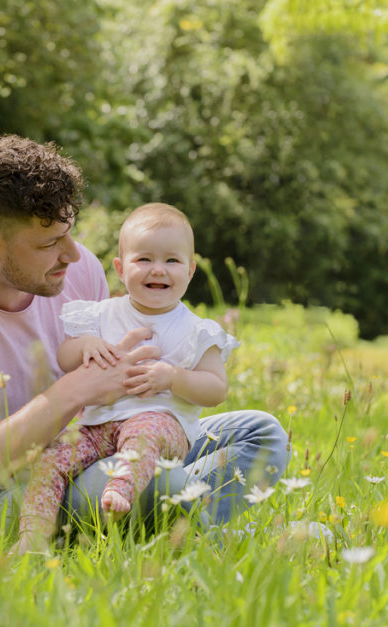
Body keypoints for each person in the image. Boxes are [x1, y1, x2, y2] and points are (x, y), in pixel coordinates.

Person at [0, 135, 289, 539]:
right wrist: (73, 391)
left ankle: (173, 513)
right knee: (157, 483)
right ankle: (215, 534)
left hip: (89, 452)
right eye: (52, 242)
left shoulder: (75, 269)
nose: (73, 254)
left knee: (261, 433)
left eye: (70, 232)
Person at [13, 203, 239, 554]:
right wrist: (86, 345)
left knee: (144, 432)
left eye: (172, 261)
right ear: (120, 268)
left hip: (160, 426)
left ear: (191, 271)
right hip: (95, 426)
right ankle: (33, 539)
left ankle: (124, 486)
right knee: (50, 462)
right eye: (144, 259)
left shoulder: (198, 331)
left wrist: (173, 378)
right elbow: (64, 357)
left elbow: (215, 390)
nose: (158, 270)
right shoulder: (100, 314)